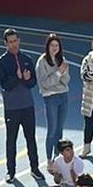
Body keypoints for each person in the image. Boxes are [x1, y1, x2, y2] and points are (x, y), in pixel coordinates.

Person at [0, 27, 40, 181]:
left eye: (15, 41)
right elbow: (5, 84)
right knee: (11, 140)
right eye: (10, 42)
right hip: (12, 108)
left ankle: (35, 168)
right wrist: (17, 77)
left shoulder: (27, 59)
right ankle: (11, 171)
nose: (14, 44)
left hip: (27, 106)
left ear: (19, 41)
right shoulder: (2, 62)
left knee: (31, 138)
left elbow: (33, 82)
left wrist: (27, 79)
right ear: (5, 43)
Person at [35, 33, 70, 171]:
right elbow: (44, 84)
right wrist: (58, 74)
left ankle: (58, 158)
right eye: (52, 45)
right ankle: (49, 160)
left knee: (60, 130)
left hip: (63, 95)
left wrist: (60, 75)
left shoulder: (62, 60)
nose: (55, 48)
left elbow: (67, 80)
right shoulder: (42, 62)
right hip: (50, 98)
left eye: (57, 45)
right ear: (47, 46)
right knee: (52, 130)